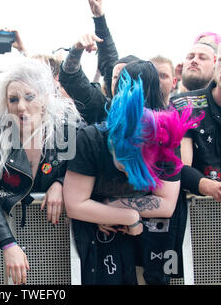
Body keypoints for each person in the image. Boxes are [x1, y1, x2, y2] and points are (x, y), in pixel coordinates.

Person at [63, 66, 202, 285]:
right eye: (125, 163)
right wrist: (129, 217)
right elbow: (75, 205)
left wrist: (108, 206)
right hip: (99, 246)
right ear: (115, 140)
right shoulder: (90, 140)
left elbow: (166, 205)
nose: (129, 172)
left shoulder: (163, 140)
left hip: (153, 246)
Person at [0, 58, 81, 285]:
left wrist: (61, 182)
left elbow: (86, 170)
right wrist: (7, 243)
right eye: (13, 99)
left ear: (45, 99)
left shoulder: (67, 131)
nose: (21, 106)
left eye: (29, 97)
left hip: (56, 241)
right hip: (4, 241)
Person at [171, 26, 221, 207]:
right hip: (195, 213)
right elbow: (180, 166)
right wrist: (213, 188)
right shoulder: (184, 106)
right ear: (215, 62)